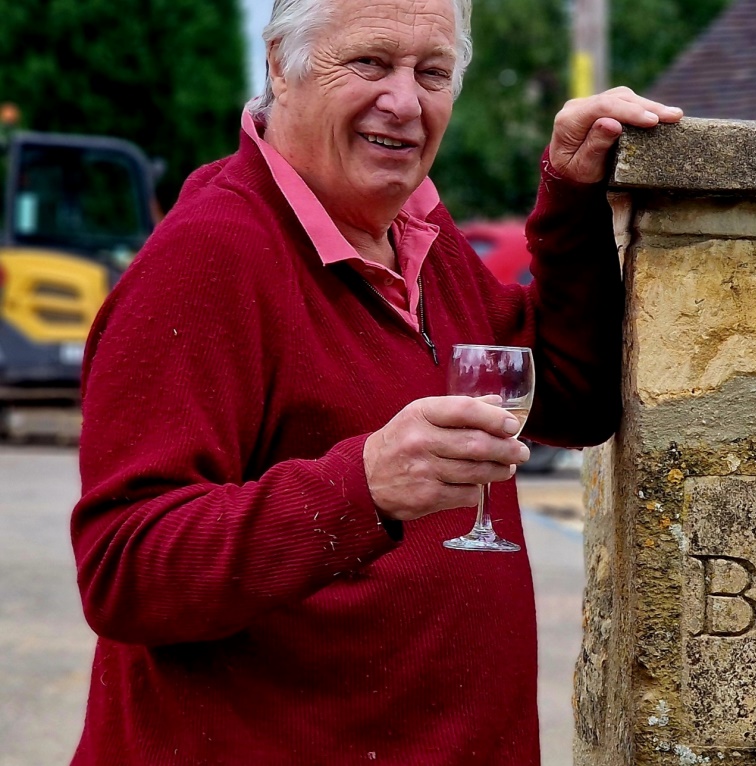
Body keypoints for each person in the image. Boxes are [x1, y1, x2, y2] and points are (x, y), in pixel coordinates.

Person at [67, 0, 680, 762]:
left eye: (433, 73)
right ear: (279, 70)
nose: (405, 102)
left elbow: (572, 396)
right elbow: (125, 568)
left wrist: (570, 192)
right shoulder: (208, 257)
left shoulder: (418, 232)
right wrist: (361, 487)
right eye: (368, 63)